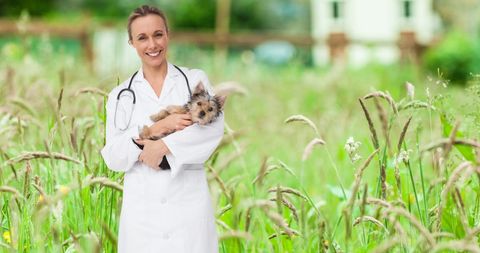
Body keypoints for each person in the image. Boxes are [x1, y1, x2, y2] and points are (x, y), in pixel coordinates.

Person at [101, 5, 224, 253]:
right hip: (142, 217)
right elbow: (113, 157)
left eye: (158, 34)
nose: (152, 44)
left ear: (168, 35)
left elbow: (212, 129)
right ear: (131, 43)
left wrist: (162, 146)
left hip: (188, 211)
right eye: (142, 38)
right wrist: (160, 127)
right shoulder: (121, 96)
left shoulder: (193, 80)